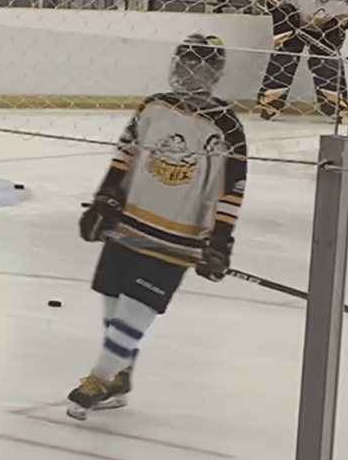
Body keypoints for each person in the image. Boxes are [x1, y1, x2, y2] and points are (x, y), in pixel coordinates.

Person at [67, 34, 247, 420]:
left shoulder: (226, 125)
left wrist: (220, 238)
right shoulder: (153, 107)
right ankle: (120, 376)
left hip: (177, 235)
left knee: (136, 308)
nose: (189, 73)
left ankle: (98, 378)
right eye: (184, 64)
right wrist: (105, 199)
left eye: (199, 66)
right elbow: (124, 155)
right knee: (113, 301)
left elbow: (231, 188)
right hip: (130, 220)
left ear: (215, 73)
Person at [255, 0, 348, 122]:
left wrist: (335, 26)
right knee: (285, 58)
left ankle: (335, 105)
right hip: (292, 26)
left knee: (328, 62)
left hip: (323, 30)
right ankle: (270, 104)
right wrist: (285, 14)